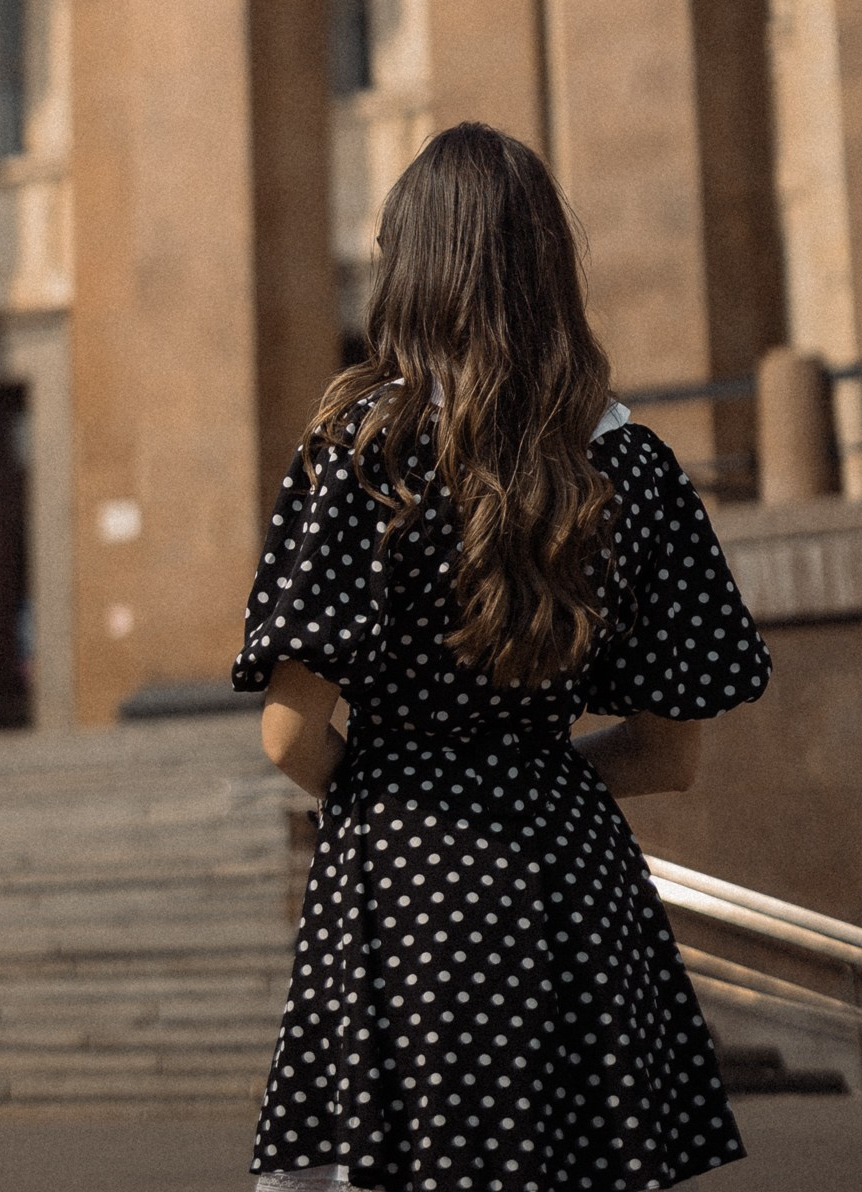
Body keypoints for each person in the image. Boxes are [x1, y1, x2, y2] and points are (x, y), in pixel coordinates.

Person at [235, 122, 772, 1192]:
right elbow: (672, 757)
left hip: (402, 888)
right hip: (571, 885)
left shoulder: (357, 455)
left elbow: (288, 736)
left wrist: (396, 790)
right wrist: (529, 778)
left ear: (411, 268)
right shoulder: (628, 464)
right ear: (544, 272)